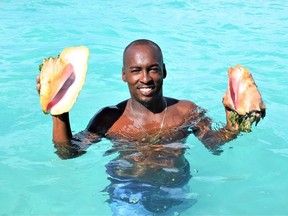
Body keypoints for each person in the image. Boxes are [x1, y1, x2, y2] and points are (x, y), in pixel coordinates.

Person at [36, 39, 241, 214]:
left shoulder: (185, 112)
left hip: (176, 188)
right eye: (136, 71)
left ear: (164, 71)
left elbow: (214, 144)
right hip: (128, 191)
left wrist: (236, 120)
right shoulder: (110, 118)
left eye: (153, 69)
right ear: (124, 75)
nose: (145, 78)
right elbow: (67, 152)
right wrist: (59, 112)